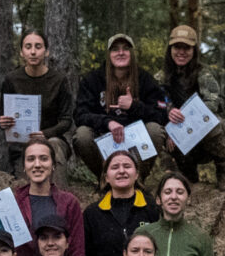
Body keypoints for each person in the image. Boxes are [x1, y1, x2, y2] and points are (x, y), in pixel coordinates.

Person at [73, 31, 171, 180]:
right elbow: (80, 114)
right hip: (104, 136)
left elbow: (161, 114)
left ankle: (138, 180)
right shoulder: (93, 79)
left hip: (136, 139)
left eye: (125, 48)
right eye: (115, 49)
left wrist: (134, 106)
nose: (121, 53)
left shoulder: (145, 79)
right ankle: (105, 180)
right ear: (108, 54)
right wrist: (108, 122)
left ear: (131, 53)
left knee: (156, 130)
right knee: (82, 135)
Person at [157, 25, 225, 181]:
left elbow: (214, 102)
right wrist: (169, 118)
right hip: (174, 139)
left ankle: (223, 168)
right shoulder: (160, 77)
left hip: (201, 136)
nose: (181, 52)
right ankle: (177, 172)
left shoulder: (203, 74)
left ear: (194, 51)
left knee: (216, 123)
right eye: (177, 47)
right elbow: (154, 104)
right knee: (155, 130)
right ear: (170, 49)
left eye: (186, 48)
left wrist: (185, 121)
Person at [0, 30, 79, 171]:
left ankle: (58, 192)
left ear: (46, 52)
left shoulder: (59, 80)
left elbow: (66, 120)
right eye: (28, 47)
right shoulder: (11, 79)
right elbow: (2, 115)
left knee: (53, 145)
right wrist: (2, 121)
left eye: (38, 47)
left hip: (52, 139)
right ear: (22, 52)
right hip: (21, 142)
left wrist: (45, 134)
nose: (33, 52)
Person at [11, 135, 88, 256]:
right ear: (24, 166)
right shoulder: (12, 203)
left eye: (44, 158)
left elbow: (76, 253)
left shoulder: (69, 203)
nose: (37, 164)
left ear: (53, 165)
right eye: (31, 159)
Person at [83, 149, 152, 256]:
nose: (121, 171)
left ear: (137, 174)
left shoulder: (152, 209)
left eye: (127, 166)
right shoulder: (92, 214)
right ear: (106, 177)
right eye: (115, 167)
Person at [137, 173, 217, 256]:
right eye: (168, 192)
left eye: (180, 192)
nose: (173, 197)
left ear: (188, 199)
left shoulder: (200, 237)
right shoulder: (143, 234)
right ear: (158, 199)